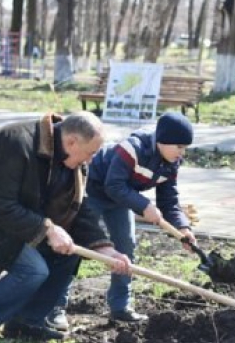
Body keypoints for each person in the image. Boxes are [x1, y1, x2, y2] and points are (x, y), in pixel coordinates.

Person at [0, 112, 131, 343]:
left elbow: (79, 208)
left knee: (68, 255)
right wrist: (47, 229)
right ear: (72, 142)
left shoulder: (73, 162)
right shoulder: (14, 142)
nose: (90, 160)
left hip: (17, 223)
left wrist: (105, 247)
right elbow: (0, 206)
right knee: (33, 270)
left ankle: (26, 322)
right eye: (90, 153)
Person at [47, 112, 197, 329]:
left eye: (185, 148)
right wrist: (143, 206)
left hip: (121, 198)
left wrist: (183, 228)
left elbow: (169, 199)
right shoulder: (132, 149)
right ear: (163, 141)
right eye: (179, 147)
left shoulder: (171, 162)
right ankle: (55, 307)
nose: (182, 153)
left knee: (125, 246)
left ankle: (120, 306)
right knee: (78, 246)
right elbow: (113, 185)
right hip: (93, 192)